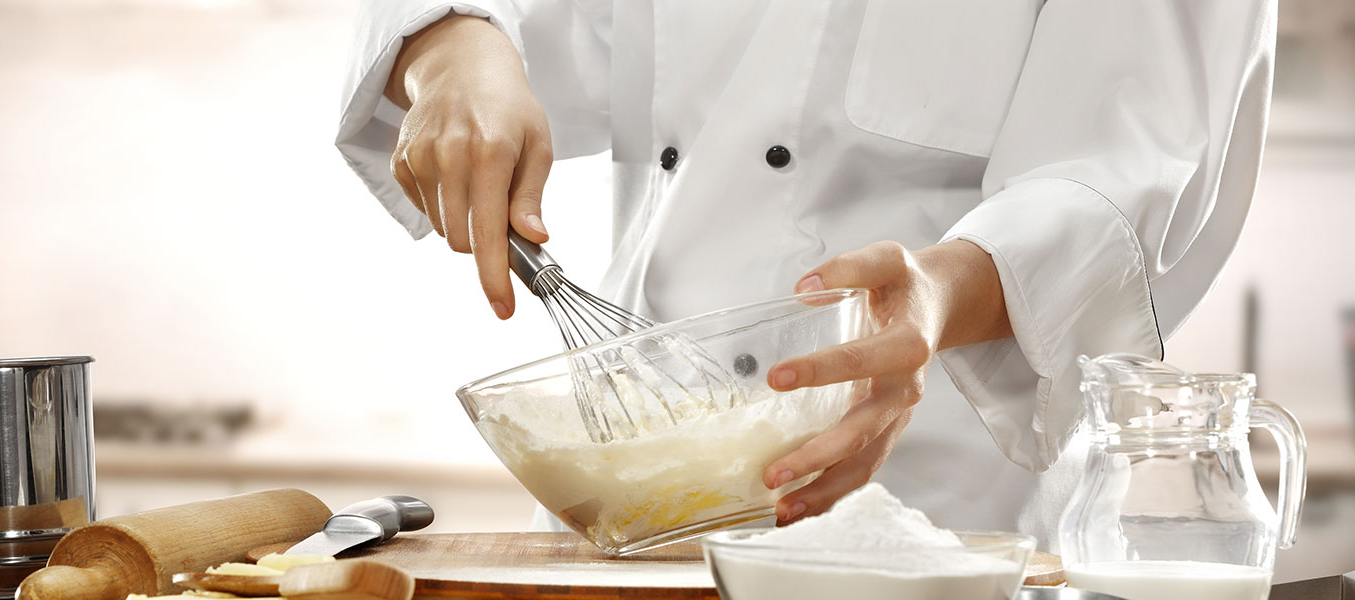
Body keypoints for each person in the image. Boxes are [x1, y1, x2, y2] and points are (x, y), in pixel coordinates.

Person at [335, 0, 1275, 549]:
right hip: (620, 504)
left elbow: (1120, 178)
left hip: (926, 514)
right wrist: (454, 46)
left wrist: (938, 293)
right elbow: (500, 24)